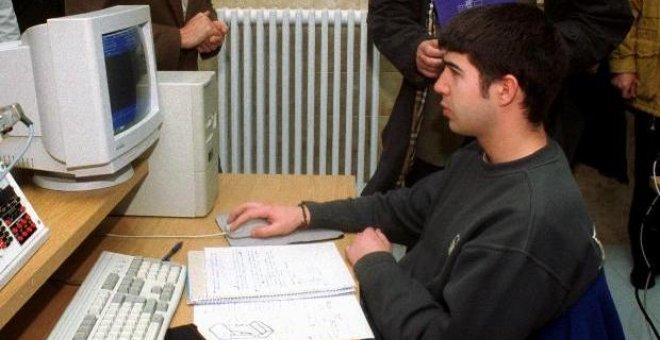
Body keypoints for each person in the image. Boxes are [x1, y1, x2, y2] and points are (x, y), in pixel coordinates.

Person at [227, 4, 604, 338]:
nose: (438, 85)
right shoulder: (481, 157)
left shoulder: (524, 226)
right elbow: (403, 209)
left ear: (505, 90)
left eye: (454, 73)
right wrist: (306, 214)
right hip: (401, 303)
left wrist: (376, 266)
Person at [362, 0, 633, 195]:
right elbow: (388, 13)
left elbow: (605, 18)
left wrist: (535, 50)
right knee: (431, 228)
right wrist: (414, 47)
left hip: (526, 125)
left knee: (516, 224)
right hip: (439, 128)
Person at [609, 0, 660, 289]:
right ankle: (646, 264)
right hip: (655, 96)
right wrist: (624, 67)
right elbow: (623, 18)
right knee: (652, 185)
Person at [65, 0, 228, 71]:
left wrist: (209, 28)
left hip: (184, 87)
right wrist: (179, 37)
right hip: (131, 97)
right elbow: (84, 29)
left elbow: (199, 5)